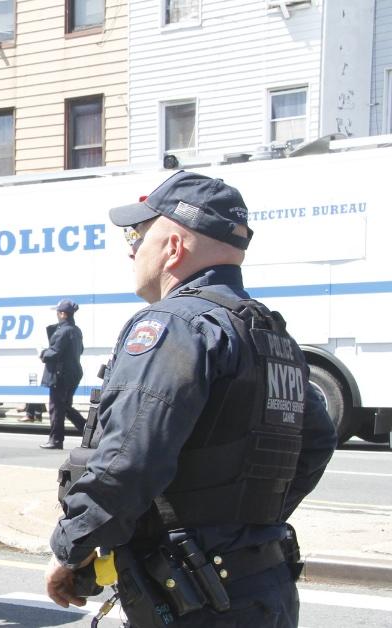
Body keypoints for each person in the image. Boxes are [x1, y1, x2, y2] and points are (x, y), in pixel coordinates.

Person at [45, 171, 337, 627]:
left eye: (137, 234)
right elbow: (316, 442)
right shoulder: (274, 336)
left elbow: (127, 462)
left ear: (174, 247)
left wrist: (70, 548)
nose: (131, 248)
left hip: (196, 601)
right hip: (265, 587)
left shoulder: (173, 326)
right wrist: (245, 523)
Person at [38, 299, 85, 449]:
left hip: (60, 374)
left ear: (63, 314)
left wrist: (43, 353)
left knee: (57, 408)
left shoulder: (63, 331)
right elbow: (80, 350)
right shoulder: (76, 330)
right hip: (73, 373)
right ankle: (89, 431)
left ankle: (56, 440)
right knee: (65, 407)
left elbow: (55, 353)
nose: (57, 315)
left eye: (58, 312)